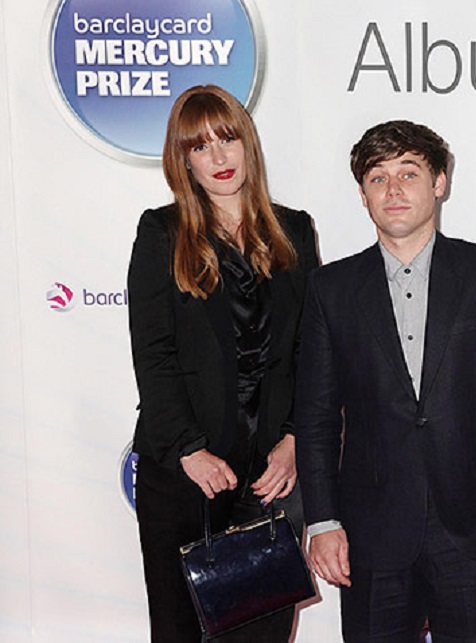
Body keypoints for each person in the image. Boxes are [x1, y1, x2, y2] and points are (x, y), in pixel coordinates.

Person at [294, 120, 476, 642]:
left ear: (439, 182)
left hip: (474, 526)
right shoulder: (331, 289)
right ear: (363, 195)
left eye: (409, 173)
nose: (393, 189)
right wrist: (323, 521)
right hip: (371, 535)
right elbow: (316, 416)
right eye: (378, 177)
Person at [128, 84, 319, 643]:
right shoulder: (162, 233)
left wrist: (294, 440)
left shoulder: (294, 229)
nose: (217, 157)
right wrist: (189, 449)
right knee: (181, 630)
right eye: (200, 146)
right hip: (185, 475)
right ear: (183, 160)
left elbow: (311, 349)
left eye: (227, 139)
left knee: (263, 631)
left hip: (271, 475)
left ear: (247, 144)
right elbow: (152, 353)